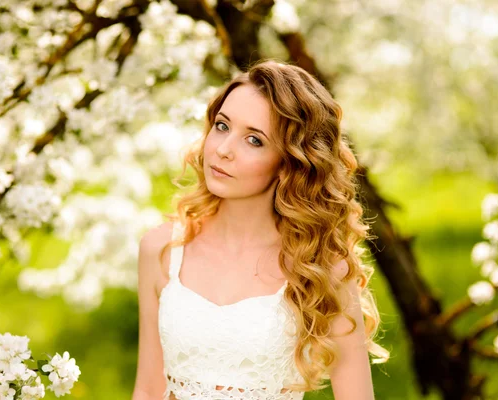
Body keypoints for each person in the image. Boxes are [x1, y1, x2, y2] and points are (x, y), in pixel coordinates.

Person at [132, 60, 389, 400]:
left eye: (253, 140)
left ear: (290, 163)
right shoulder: (162, 249)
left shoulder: (321, 268)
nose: (222, 150)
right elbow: (149, 390)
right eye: (222, 126)